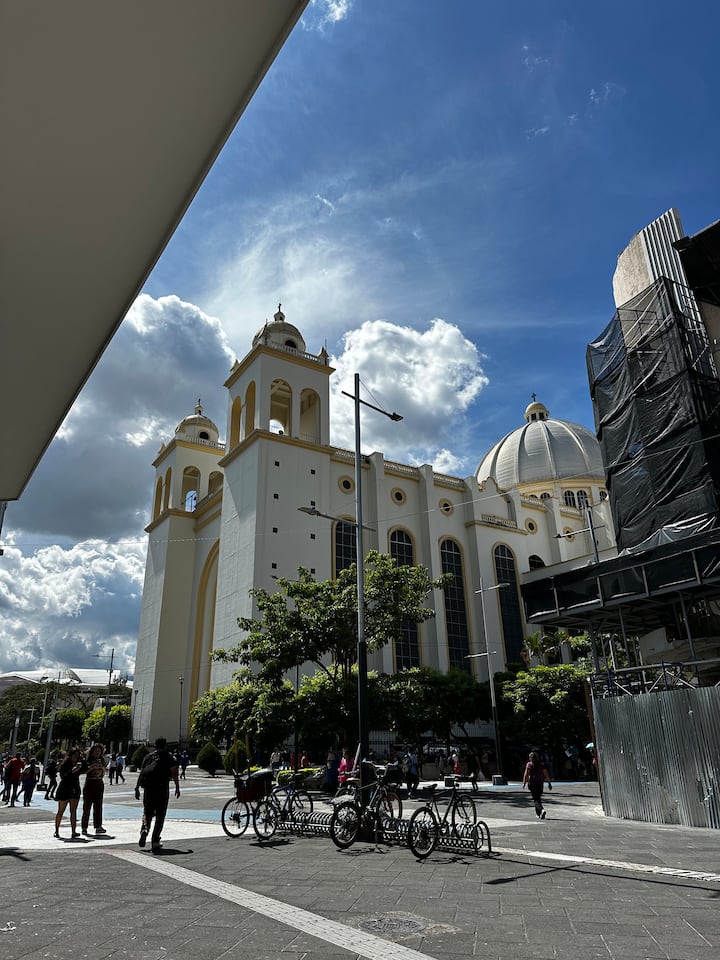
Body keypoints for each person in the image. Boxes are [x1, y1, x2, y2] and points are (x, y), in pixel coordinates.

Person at [135, 736, 180, 852]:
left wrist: (137, 788)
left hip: (148, 789)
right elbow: (174, 773)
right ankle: (155, 841)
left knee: (147, 812)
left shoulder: (148, 757)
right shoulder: (169, 757)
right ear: (165, 746)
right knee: (160, 815)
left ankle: (144, 829)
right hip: (162, 789)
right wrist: (177, 787)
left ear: (155, 746)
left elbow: (142, 773)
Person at [54, 747, 84, 839]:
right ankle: (56, 830)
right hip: (65, 788)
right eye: (75, 755)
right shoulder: (65, 764)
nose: (76, 757)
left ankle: (73, 831)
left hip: (75, 788)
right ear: (70, 756)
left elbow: (85, 769)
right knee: (61, 811)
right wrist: (72, 770)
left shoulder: (79, 764)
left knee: (73, 811)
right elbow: (63, 776)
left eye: (78, 755)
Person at [81, 743, 108, 835]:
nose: (97, 752)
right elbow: (84, 771)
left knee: (98, 806)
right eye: (95, 750)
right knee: (87, 807)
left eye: (99, 751)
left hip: (99, 783)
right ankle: (84, 827)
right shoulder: (88, 760)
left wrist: (102, 768)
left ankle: (98, 826)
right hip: (90, 783)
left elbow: (106, 771)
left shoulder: (102, 760)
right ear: (92, 751)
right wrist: (92, 767)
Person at [522, 750, 552, 819]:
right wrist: (549, 783)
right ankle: (538, 814)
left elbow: (526, 774)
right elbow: (546, 774)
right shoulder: (541, 764)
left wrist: (524, 783)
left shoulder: (529, 764)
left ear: (530, 758)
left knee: (536, 799)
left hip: (532, 783)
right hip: (540, 784)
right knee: (538, 798)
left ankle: (541, 810)